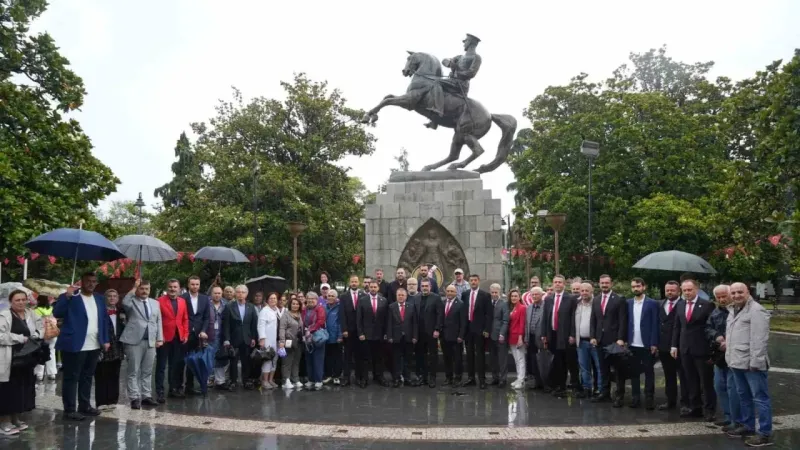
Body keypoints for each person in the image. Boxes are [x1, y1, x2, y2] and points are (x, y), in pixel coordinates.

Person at [54, 272, 110, 421]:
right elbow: (57, 312)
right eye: (88, 281)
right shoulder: (72, 296)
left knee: (87, 376)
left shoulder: (99, 298)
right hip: (74, 344)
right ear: (81, 282)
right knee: (72, 377)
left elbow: (104, 320)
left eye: (94, 281)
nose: (91, 284)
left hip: (94, 344)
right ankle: (70, 409)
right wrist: (67, 295)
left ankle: (84, 405)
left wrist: (105, 339)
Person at [725, 282, 773, 446]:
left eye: (740, 292)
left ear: (748, 292)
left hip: (752, 364)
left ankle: (764, 433)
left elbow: (760, 339)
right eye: (733, 292)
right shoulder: (732, 309)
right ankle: (748, 426)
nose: (737, 295)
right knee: (744, 396)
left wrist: (756, 362)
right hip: (736, 361)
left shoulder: (756, 310)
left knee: (760, 398)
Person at [671, 278, 717, 420]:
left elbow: (711, 327)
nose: (687, 293)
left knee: (706, 381)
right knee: (690, 380)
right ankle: (695, 407)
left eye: (689, 290)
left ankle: (710, 410)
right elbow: (677, 326)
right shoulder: (680, 305)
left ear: (696, 289)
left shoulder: (707, 305)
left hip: (702, 349)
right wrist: (674, 345)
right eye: (684, 290)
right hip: (685, 349)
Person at [0, 290, 43, 435]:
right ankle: (4, 421)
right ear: (11, 302)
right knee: (8, 390)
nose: (21, 302)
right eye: (17, 300)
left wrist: (37, 335)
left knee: (21, 389)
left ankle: (15, 418)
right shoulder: (5, 315)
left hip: (27, 358)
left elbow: (40, 329)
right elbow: (0, 335)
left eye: (23, 299)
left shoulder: (31, 314)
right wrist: (20, 338)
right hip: (9, 358)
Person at [120, 279, 162, 409]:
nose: (144, 291)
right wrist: (134, 287)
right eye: (142, 288)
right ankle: (134, 397)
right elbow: (124, 302)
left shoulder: (155, 303)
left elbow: (158, 321)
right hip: (134, 341)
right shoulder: (131, 301)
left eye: (147, 289)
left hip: (150, 341)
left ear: (150, 289)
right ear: (138, 289)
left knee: (148, 370)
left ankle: (146, 396)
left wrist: (160, 338)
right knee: (133, 370)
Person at [706, 285, 741, 431]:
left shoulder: (738, 311)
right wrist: (716, 336)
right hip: (719, 357)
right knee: (720, 387)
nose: (721, 299)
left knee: (734, 388)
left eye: (724, 296)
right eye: (718, 297)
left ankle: (737, 419)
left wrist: (729, 341)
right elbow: (708, 328)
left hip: (735, 356)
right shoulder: (715, 312)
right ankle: (728, 416)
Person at [590, 274, 627, 405]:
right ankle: (605, 393)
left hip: (614, 341)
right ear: (599, 284)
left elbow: (623, 320)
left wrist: (621, 338)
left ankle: (619, 396)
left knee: (617, 370)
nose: (604, 285)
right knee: (603, 368)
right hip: (599, 340)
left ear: (611, 284)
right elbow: (593, 320)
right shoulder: (596, 299)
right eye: (602, 283)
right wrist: (593, 336)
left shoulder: (619, 299)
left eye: (606, 283)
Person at [541, 274, 577, 397]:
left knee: (563, 361)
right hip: (552, 334)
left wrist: (572, 334)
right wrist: (544, 334)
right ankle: (556, 385)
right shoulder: (548, 299)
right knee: (555, 361)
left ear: (564, 284)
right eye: (555, 282)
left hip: (565, 335)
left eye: (559, 282)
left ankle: (563, 386)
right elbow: (545, 317)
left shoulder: (570, 299)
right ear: (553, 283)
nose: (557, 284)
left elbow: (573, 318)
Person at [626, 278, 660, 410]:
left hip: (646, 344)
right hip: (632, 343)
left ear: (644, 287)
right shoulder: (628, 303)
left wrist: (654, 343)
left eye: (638, 286)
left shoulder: (652, 303)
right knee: (634, 372)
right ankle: (635, 397)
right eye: (633, 286)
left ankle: (649, 397)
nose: (635, 289)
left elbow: (655, 324)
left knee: (649, 372)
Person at [657, 280, 689, 411]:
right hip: (664, 347)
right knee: (668, 376)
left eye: (672, 290)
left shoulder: (684, 304)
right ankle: (670, 401)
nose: (669, 292)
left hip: (680, 347)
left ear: (679, 291)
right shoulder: (660, 304)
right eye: (667, 290)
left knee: (684, 376)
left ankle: (685, 403)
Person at [155, 279, 189, 401]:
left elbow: (185, 319)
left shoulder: (182, 301)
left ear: (179, 289)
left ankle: (172, 389)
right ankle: (159, 391)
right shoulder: (159, 301)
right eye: (170, 287)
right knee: (161, 366)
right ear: (167, 288)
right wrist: (159, 336)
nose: (172, 289)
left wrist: (185, 334)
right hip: (163, 338)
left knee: (174, 366)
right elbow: (156, 320)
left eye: (175, 287)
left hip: (178, 337)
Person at [95, 289, 126, 410]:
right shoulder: (100, 312)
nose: (112, 298)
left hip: (117, 348)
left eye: (114, 296)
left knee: (115, 374)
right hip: (104, 346)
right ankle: (101, 401)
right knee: (102, 374)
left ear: (118, 298)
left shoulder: (121, 313)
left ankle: (113, 400)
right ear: (105, 298)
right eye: (109, 296)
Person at [223, 285, 258, 390]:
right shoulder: (229, 306)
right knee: (233, 361)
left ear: (246, 294)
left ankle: (245, 380)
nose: (240, 294)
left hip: (247, 338)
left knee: (246, 361)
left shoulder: (251, 307)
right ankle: (233, 381)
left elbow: (254, 324)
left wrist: (253, 338)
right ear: (235, 294)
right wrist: (227, 339)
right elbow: (226, 324)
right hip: (234, 338)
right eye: (238, 292)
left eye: (243, 292)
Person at [462, 274, 492, 389]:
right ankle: (471, 378)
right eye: (471, 280)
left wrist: (486, 329)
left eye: (475, 280)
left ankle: (482, 379)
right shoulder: (465, 295)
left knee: (480, 355)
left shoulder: (485, 295)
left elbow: (488, 314)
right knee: (469, 354)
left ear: (478, 281)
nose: (473, 282)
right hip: (468, 329)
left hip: (480, 330)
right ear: (469, 282)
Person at [356, 281, 389, 387]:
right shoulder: (362, 300)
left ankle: (379, 376)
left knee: (379, 358)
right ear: (368, 288)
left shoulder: (384, 300)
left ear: (378, 288)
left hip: (379, 335)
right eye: (371, 287)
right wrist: (360, 332)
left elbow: (386, 319)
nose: (373, 289)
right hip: (366, 335)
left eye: (375, 287)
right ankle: (365, 379)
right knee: (365, 358)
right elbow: (359, 318)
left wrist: (386, 333)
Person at [181, 275, 210, 396]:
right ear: (188, 284)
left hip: (198, 335)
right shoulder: (182, 298)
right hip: (184, 333)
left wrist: (203, 330)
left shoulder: (204, 298)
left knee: (194, 361)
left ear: (199, 285)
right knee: (181, 361)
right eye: (192, 284)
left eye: (197, 284)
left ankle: (190, 387)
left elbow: (207, 317)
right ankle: (177, 387)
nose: (195, 286)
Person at [386, 288, 417, 387]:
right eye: (399, 295)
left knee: (408, 359)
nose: (401, 297)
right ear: (396, 296)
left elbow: (415, 323)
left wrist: (415, 336)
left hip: (408, 337)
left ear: (406, 296)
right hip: (396, 337)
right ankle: (396, 378)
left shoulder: (411, 307)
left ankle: (407, 378)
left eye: (402, 295)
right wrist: (389, 336)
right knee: (396, 359)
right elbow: (389, 323)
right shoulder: (391, 307)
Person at [573, 283, 600, 398]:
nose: (584, 292)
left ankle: (599, 389)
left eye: (586, 290)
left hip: (595, 341)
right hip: (581, 341)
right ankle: (587, 388)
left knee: (599, 367)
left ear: (592, 291)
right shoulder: (577, 304)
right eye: (582, 290)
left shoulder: (597, 303)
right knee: (584, 367)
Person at [416, 279, 444, 388]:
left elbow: (440, 315)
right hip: (419, 332)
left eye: (426, 286)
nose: (424, 287)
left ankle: (432, 377)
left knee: (433, 356)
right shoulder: (417, 298)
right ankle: (423, 377)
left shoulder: (436, 298)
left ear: (430, 286)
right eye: (422, 286)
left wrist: (437, 329)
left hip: (432, 332)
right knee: (420, 355)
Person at [339, 275, 363, 386]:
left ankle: (359, 377)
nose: (354, 283)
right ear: (350, 283)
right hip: (348, 330)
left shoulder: (364, 295)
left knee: (359, 355)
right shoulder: (343, 296)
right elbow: (342, 314)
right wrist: (344, 329)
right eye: (352, 281)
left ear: (359, 283)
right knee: (347, 355)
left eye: (355, 281)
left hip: (360, 331)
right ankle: (346, 377)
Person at [440, 284, 466, 386]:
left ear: (455, 293)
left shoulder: (460, 304)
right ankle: (448, 377)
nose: (450, 293)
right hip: (444, 336)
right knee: (447, 358)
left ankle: (458, 378)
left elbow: (463, 322)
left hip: (456, 337)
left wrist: (461, 335)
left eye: (452, 291)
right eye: (448, 291)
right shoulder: (442, 303)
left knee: (457, 359)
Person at [302, 292, 327, 390]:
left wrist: (310, 330)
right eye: (308, 298)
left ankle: (318, 380)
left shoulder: (320, 309)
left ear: (316, 300)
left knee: (318, 359)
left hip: (317, 337)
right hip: (307, 338)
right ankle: (311, 379)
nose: (310, 300)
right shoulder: (304, 310)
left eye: (313, 298)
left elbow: (321, 321)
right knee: (309, 359)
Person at [280, 297, 304, 389]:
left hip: (298, 341)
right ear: (290, 304)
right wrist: (282, 341)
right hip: (287, 341)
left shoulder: (299, 314)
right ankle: (286, 380)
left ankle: (295, 379)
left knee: (296, 361)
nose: (295, 305)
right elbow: (282, 328)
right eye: (293, 303)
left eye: (297, 304)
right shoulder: (285, 315)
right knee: (287, 361)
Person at [524, 287, 546, 390]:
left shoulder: (546, 307)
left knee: (543, 361)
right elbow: (526, 325)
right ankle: (537, 382)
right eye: (533, 294)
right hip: (531, 338)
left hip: (542, 337)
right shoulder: (529, 308)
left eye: (537, 294)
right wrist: (526, 338)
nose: (534, 296)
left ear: (541, 295)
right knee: (533, 361)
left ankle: (545, 382)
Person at [257, 293, 280, 389]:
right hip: (268, 340)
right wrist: (262, 339)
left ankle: (271, 379)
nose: (273, 300)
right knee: (267, 360)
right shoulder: (264, 310)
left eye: (275, 298)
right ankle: (265, 381)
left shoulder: (277, 310)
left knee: (275, 360)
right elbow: (260, 325)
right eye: (271, 298)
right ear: (267, 300)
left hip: (277, 339)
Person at [488, 283, 509, 387]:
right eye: (492, 292)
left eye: (496, 292)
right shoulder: (488, 303)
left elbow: (505, 321)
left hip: (500, 336)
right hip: (490, 336)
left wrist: (502, 334)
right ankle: (495, 378)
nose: (494, 294)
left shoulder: (504, 304)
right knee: (493, 359)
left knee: (502, 359)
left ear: (499, 292)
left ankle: (503, 379)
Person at [506, 289, 527, 390]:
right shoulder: (512, 308)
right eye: (512, 296)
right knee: (516, 360)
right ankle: (519, 378)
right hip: (511, 337)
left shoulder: (522, 308)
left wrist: (520, 338)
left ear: (519, 297)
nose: (513, 298)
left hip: (518, 337)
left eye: (515, 296)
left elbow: (522, 324)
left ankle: (521, 379)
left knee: (520, 359)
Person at [33, 295, 57, 382]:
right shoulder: (51, 309)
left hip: (42, 334)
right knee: (51, 352)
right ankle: (52, 373)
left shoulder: (36, 310)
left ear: (38, 301)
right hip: (52, 333)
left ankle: (39, 374)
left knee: (40, 353)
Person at [208, 286, 227, 389]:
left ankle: (220, 380)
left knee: (220, 357)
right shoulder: (207, 304)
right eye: (215, 293)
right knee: (209, 357)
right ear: (211, 294)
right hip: (209, 335)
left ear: (222, 294)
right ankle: (209, 379)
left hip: (221, 335)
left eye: (219, 293)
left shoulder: (225, 305)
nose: (217, 295)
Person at [323, 289, 342, 385]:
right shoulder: (323, 307)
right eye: (329, 296)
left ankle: (337, 376)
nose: (330, 297)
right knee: (328, 357)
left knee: (337, 357)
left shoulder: (339, 307)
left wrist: (340, 336)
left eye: (332, 296)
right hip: (326, 336)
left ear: (336, 298)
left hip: (336, 337)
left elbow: (340, 323)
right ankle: (329, 375)